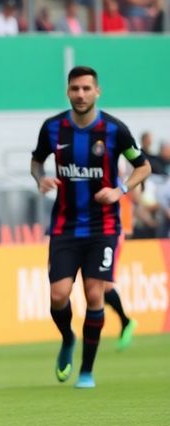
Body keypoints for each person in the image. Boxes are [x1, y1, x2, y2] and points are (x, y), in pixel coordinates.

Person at [30, 66, 151, 389]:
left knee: (95, 292)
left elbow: (144, 166)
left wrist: (120, 190)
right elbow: (36, 160)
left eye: (86, 89)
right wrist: (39, 178)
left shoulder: (115, 131)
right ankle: (67, 338)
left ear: (97, 92)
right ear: (68, 92)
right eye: (75, 89)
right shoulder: (52, 128)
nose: (80, 94)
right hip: (65, 226)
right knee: (58, 295)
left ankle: (86, 371)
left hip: (104, 226)